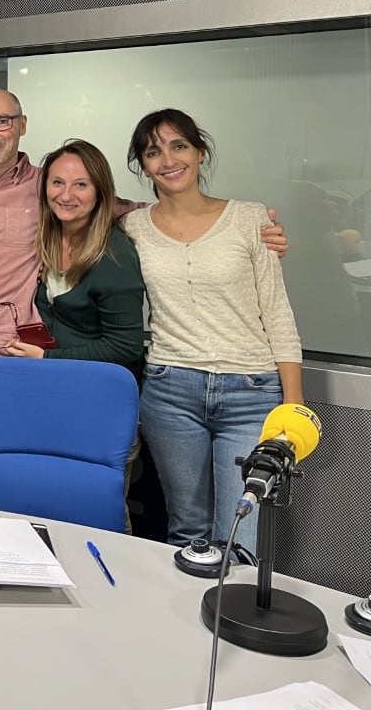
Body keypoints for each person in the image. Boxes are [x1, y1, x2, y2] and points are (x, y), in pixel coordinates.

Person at [0, 88, 287, 492]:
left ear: (22, 126)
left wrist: (242, 225)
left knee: (30, 480)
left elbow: (144, 214)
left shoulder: (47, 189)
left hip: (26, 364)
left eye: (2, 121)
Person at [120, 109, 303, 552]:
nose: (167, 160)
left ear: (200, 153)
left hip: (251, 391)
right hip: (170, 391)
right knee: (187, 531)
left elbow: (277, 313)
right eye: (152, 152)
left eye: (178, 146)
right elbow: (79, 204)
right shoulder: (132, 227)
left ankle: (224, 619)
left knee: (240, 536)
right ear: (142, 166)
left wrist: (293, 407)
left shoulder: (250, 219)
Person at [5, 140, 145, 530]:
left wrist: (45, 359)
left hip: (102, 408)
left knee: (99, 518)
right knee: (51, 511)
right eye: (57, 183)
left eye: (81, 185)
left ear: (101, 191)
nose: (66, 196)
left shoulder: (114, 255)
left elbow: (125, 347)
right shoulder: (50, 240)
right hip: (56, 399)